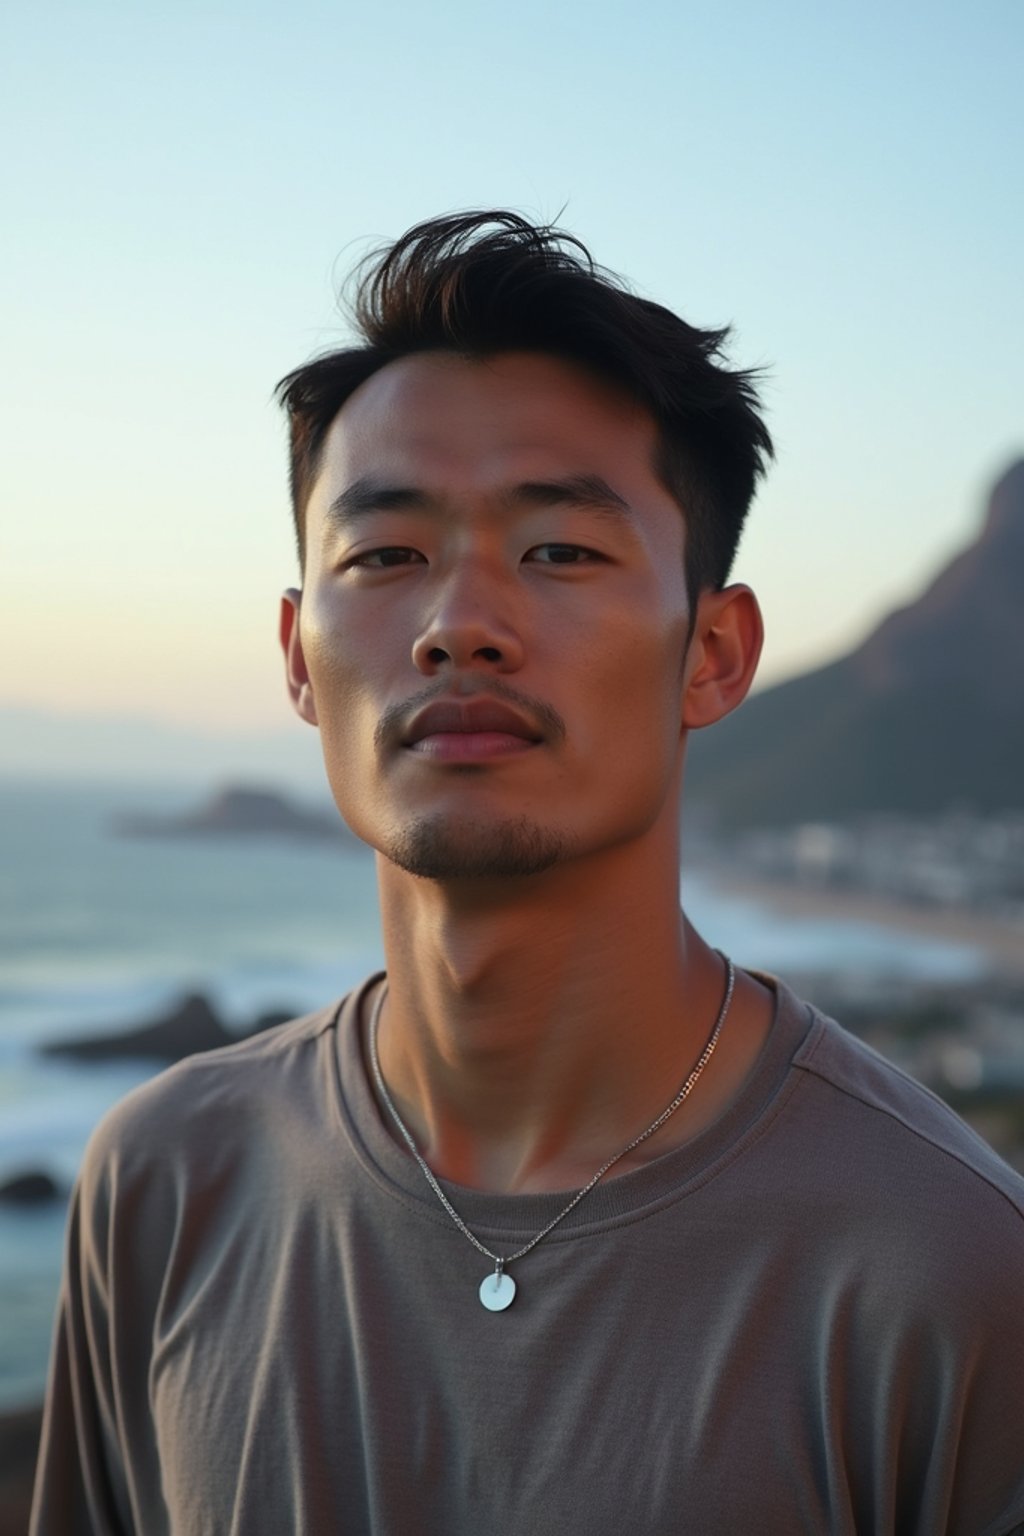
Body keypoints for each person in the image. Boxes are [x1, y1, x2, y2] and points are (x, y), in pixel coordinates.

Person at [32, 212, 1024, 1535]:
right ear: (293, 653)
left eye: (559, 550)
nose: (458, 627)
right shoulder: (163, 1182)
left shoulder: (952, 1264)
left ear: (715, 655)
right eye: (385, 555)